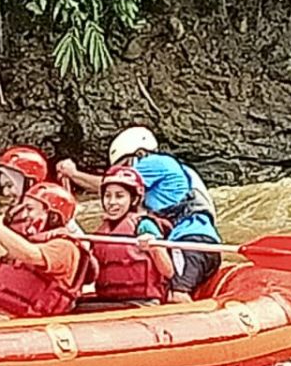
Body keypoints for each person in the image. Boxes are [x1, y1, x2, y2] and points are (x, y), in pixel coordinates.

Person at [58, 126, 220, 302]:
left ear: (140, 153)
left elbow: (117, 182)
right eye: (108, 197)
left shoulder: (156, 162)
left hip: (193, 242)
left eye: (125, 165)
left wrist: (73, 174)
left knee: (177, 294)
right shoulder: (143, 203)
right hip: (180, 243)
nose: (113, 201)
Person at [0, 182, 88, 318]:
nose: (26, 215)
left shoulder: (65, 247)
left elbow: (30, 255)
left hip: (16, 317)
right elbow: (4, 254)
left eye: (30, 209)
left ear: (53, 216)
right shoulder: (34, 241)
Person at [90, 166, 174, 305]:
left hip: (142, 302)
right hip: (109, 300)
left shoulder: (144, 225)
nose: (111, 202)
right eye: (107, 195)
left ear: (134, 200)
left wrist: (154, 248)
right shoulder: (102, 230)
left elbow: (168, 271)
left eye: (119, 196)